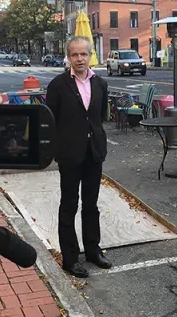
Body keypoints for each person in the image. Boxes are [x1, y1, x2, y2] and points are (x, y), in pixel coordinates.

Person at [45, 36, 111, 278]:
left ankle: (93, 250)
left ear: (90, 55)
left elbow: (100, 117)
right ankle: (70, 258)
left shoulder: (101, 84)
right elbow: (50, 122)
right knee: (69, 205)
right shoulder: (58, 85)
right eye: (75, 55)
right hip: (69, 155)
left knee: (91, 205)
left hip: (94, 153)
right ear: (69, 57)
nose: (80, 59)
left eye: (84, 54)